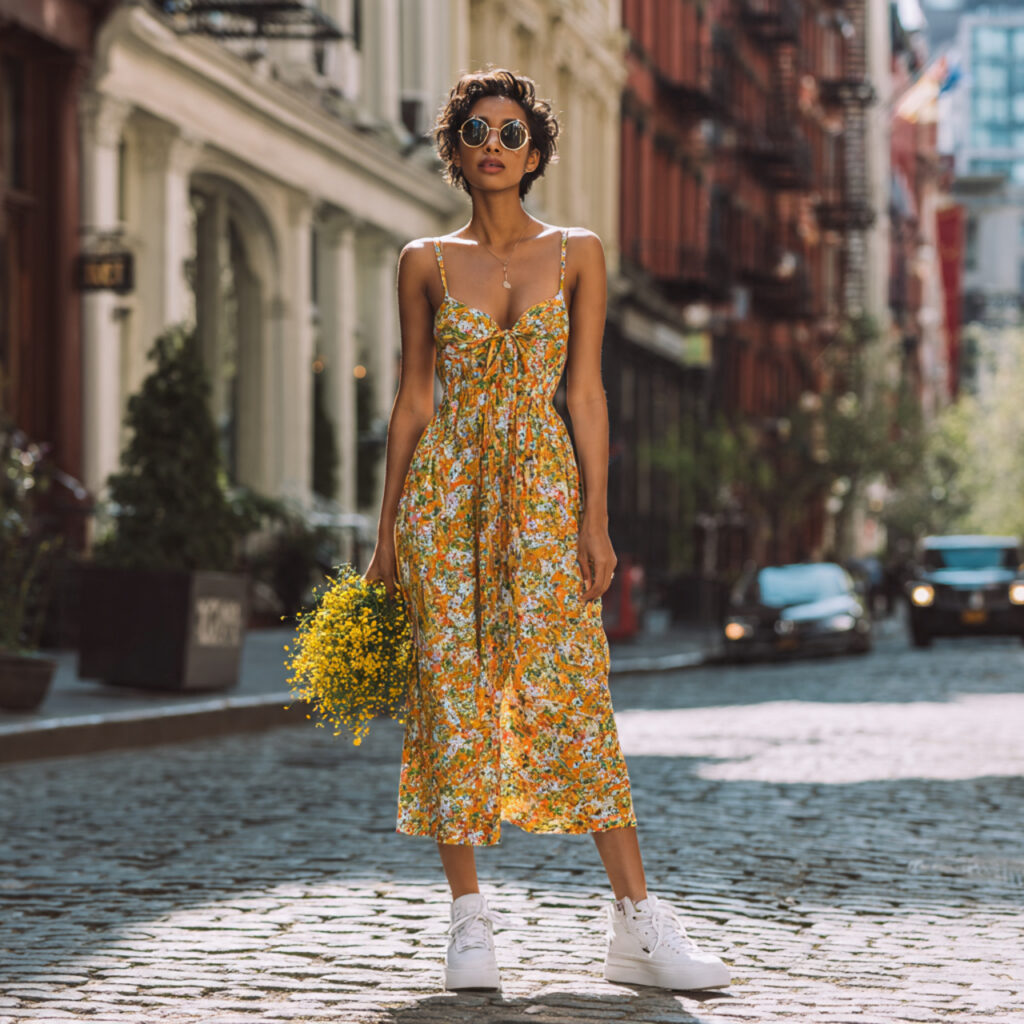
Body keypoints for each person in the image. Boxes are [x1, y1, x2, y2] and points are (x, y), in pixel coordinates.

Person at [364, 67, 730, 994]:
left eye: (512, 133)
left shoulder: (578, 252)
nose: (494, 144)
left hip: (541, 491)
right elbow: (412, 403)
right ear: (453, 148)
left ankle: (638, 926)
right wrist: (385, 536)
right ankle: (468, 922)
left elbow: (587, 394)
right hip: (445, 492)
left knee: (572, 691)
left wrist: (595, 524)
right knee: (450, 695)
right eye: (477, 130)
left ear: (535, 153)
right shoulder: (421, 260)